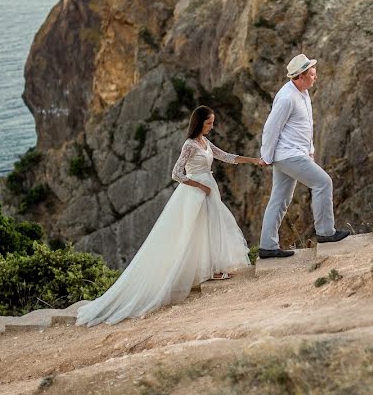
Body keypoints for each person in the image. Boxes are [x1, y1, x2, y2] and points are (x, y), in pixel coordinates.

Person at [76, 106, 263, 327]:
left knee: (213, 226)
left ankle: (214, 269)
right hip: (196, 193)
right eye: (209, 123)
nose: (212, 126)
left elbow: (226, 156)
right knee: (194, 232)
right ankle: (196, 273)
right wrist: (199, 186)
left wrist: (253, 160)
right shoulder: (190, 144)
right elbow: (176, 173)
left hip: (209, 189)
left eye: (212, 123)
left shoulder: (205, 142)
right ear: (199, 122)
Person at [258, 54, 349, 258]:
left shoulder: (303, 93)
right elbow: (271, 128)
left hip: (294, 153)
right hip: (288, 155)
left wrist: (310, 152)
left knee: (280, 199)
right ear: (300, 76)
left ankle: (267, 247)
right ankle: (326, 233)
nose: (315, 77)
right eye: (312, 74)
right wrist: (266, 156)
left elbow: (304, 128)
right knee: (323, 183)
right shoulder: (287, 97)